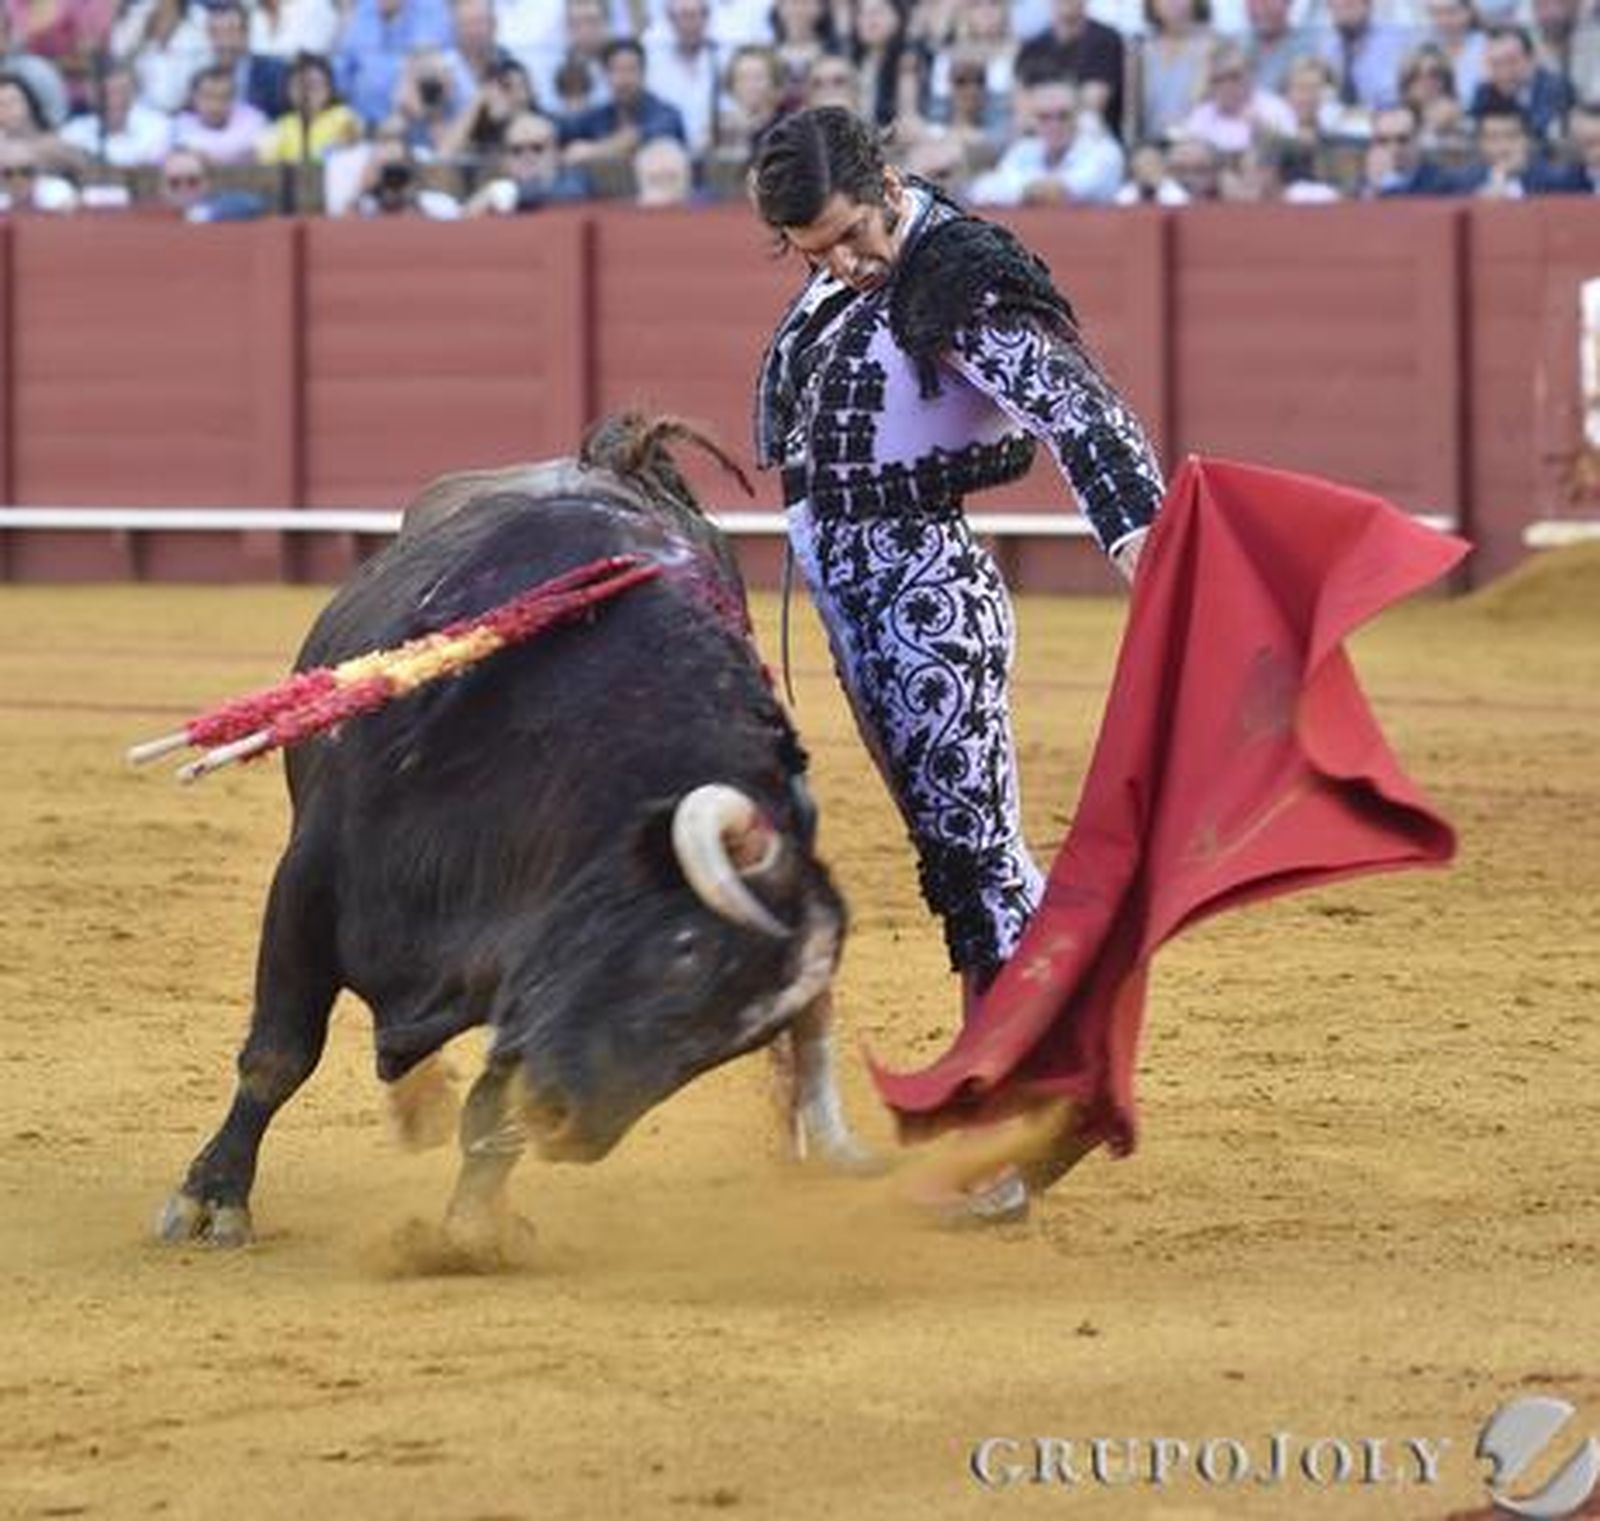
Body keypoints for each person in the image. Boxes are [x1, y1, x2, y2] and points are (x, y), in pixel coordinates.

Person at [749, 107, 1164, 1218]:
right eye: (813, 252)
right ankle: (1031, 1093)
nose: (841, 263)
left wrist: (1150, 556)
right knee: (959, 857)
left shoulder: (956, 271)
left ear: (884, 179)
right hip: (857, 601)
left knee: (980, 867)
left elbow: (1084, 419)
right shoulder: (864, 273)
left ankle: (1016, 1126)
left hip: (925, 598)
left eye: (846, 236)